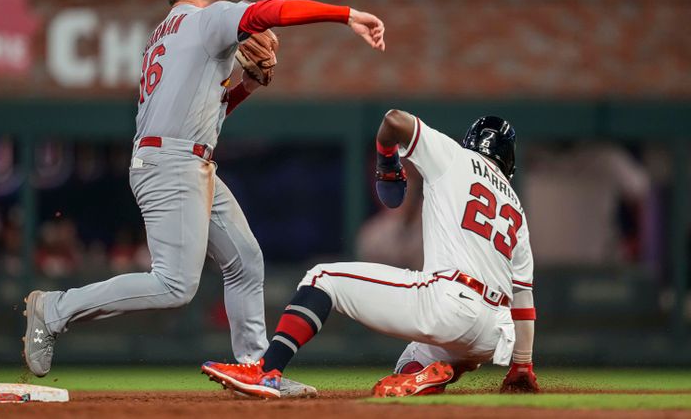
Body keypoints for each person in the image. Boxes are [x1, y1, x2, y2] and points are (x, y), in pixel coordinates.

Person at [22, 0, 385, 398]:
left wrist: (247, 83)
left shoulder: (164, 34)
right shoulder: (205, 19)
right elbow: (274, 10)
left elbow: (210, 113)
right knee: (174, 284)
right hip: (171, 164)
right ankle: (55, 309)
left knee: (245, 261)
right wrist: (347, 14)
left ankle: (256, 370)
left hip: (184, 159)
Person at [201, 112, 539, 398]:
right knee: (410, 363)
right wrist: (522, 365)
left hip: (450, 302)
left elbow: (394, 119)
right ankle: (439, 372)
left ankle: (267, 370)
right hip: (494, 333)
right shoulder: (517, 210)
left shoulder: (454, 156)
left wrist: (387, 161)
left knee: (322, 277)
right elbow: (523, 297)